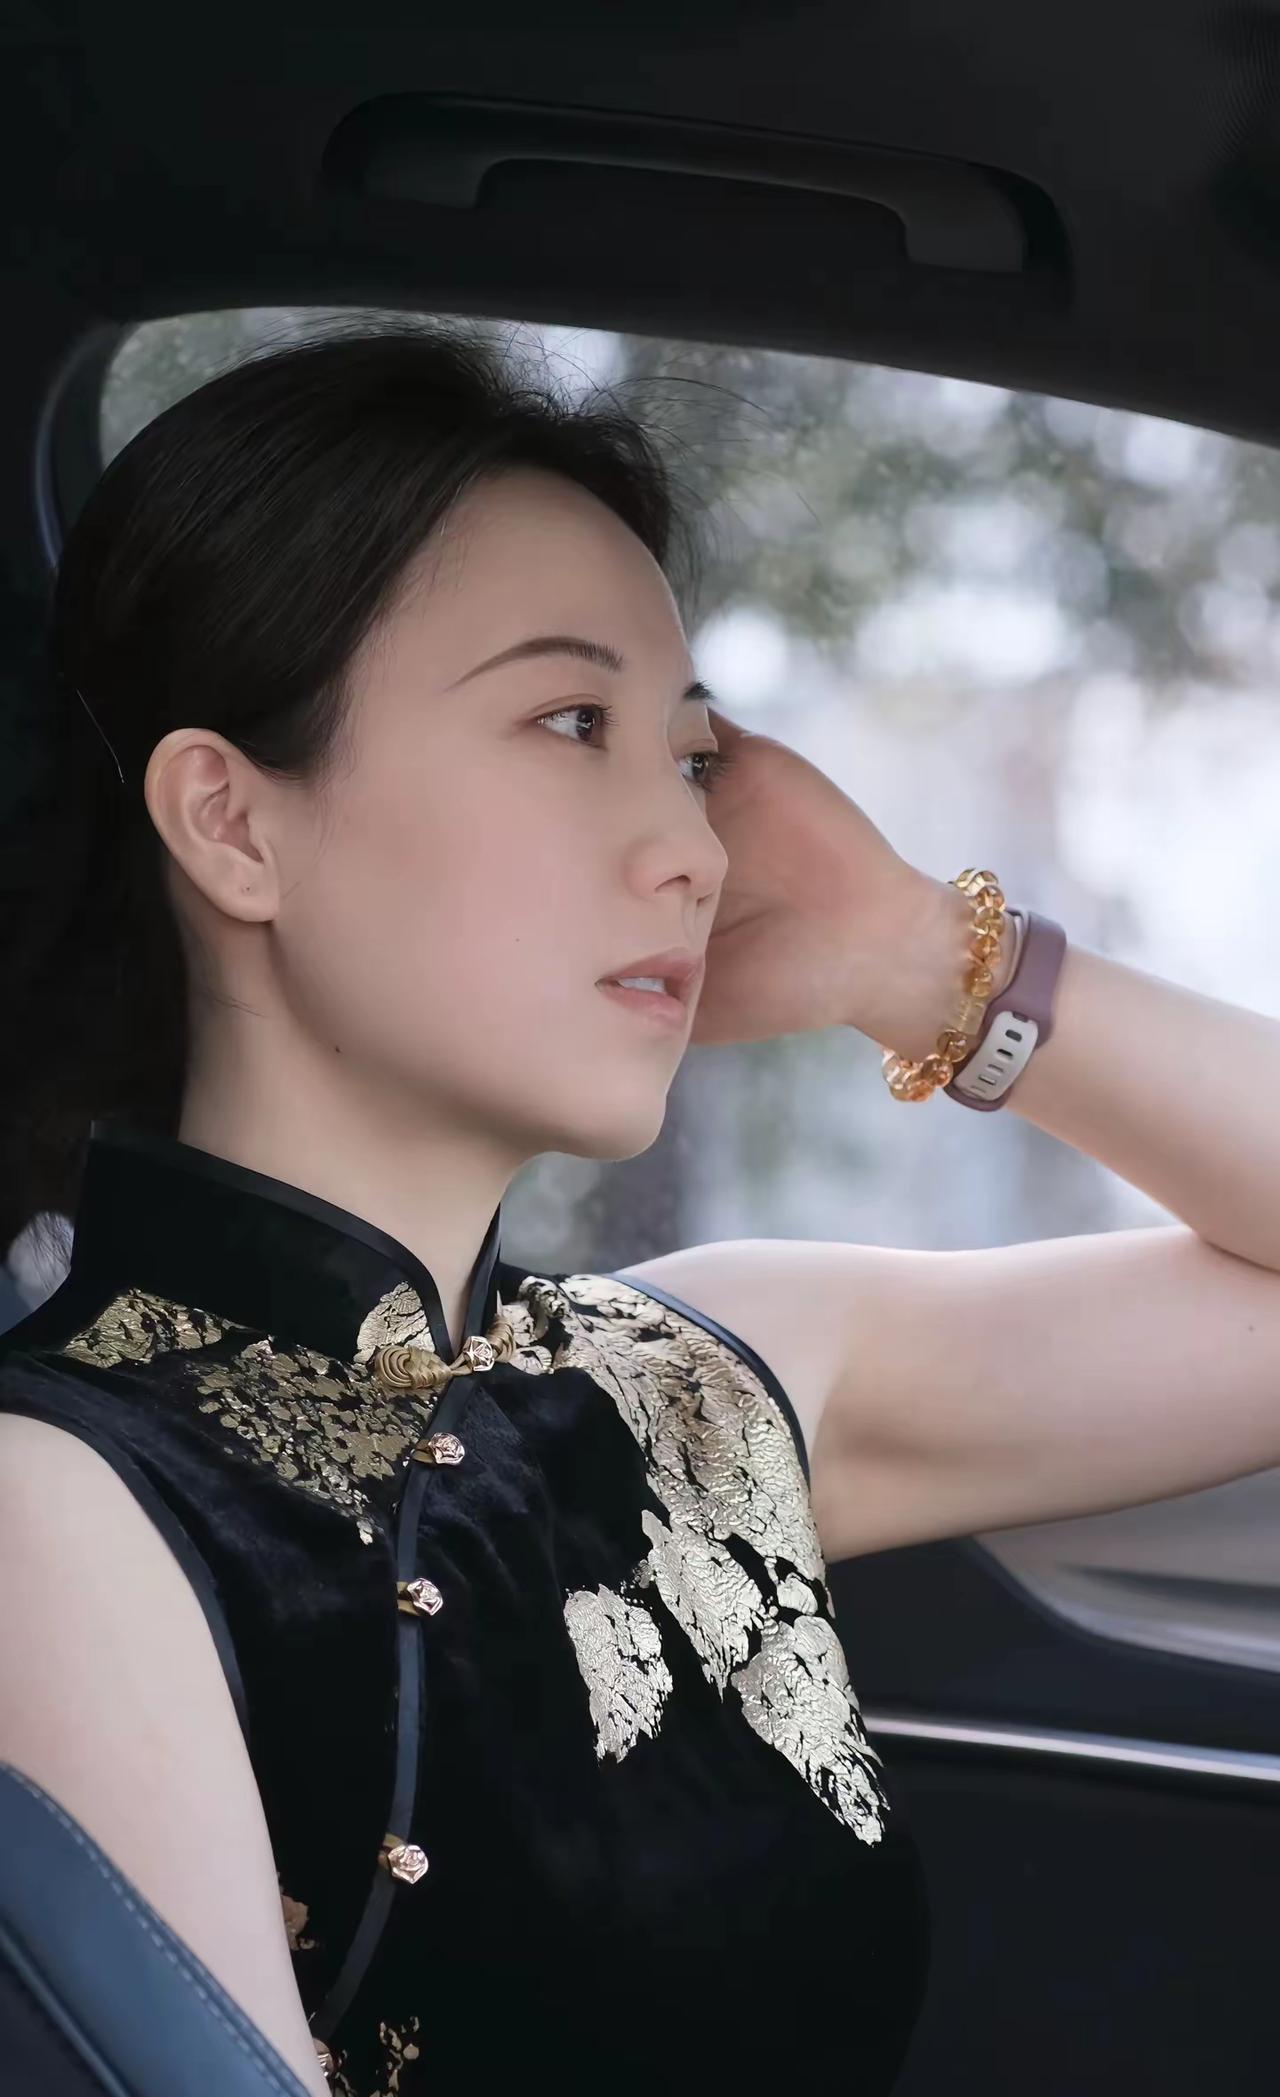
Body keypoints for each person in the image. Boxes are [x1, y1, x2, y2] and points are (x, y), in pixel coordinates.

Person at [5, 322, 1280, 2096]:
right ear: (231, 821)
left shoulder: (700, 1375)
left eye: (687, 758)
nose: (698, 849)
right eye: (569, 721)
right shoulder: (54, 1496)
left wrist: (922, 957)